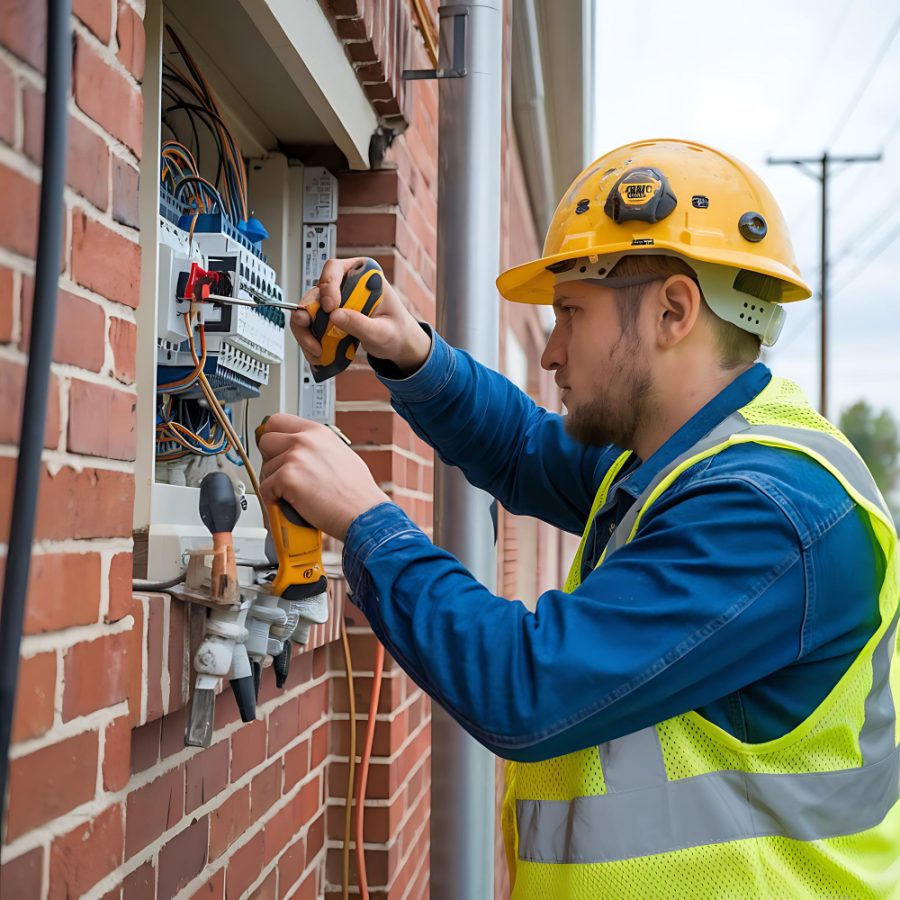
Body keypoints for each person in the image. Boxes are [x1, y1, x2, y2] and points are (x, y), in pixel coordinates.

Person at [257, 139, 899, 897]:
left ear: (672, 310)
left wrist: (369, 521)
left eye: (569, 312)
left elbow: (528, 686)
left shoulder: (768, 511)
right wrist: (411, 352)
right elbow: (528, 448)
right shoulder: (670, 463)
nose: (553, 350)